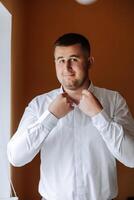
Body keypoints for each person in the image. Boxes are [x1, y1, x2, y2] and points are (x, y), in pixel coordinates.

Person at [7, 33, 134, 200]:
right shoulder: (39, 105)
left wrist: (99, 115)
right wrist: (50, 117)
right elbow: (16, 157)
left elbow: (132, 158)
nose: (66, 67)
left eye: (74, 59)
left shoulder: (114, 101)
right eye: (60, 60)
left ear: (89, 62)